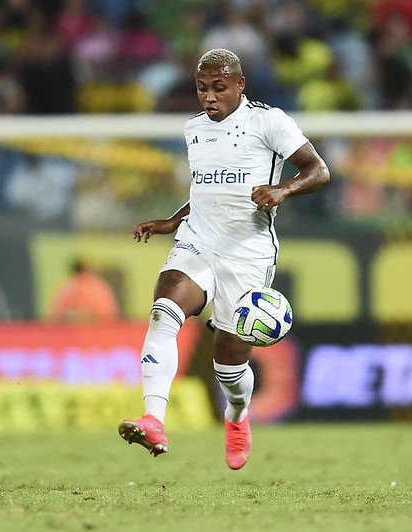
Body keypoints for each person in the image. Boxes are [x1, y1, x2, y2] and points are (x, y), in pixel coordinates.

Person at [117, 49, 330, 469]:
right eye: (202, 88)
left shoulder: (268, 121)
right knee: (164, 311)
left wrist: (282, 190)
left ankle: (237, 417)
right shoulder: (194, 129)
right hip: (198, 241)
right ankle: (154, 419)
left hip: (248, 253)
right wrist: (171, 220)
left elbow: (319, 170)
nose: (209, 98)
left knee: (228, 366)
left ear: (239, 86)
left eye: (218, 88)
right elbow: (206, 189)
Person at [48, 259, 119, 323]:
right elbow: (56, 315)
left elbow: (109, 314)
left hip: (97, 330)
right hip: (69, 331)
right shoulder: (67, 289)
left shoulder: (98, 289)